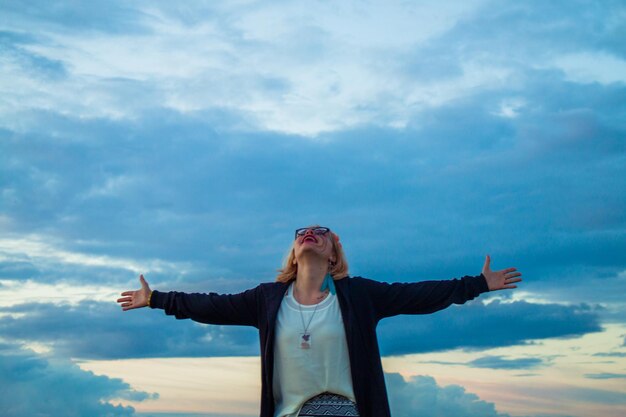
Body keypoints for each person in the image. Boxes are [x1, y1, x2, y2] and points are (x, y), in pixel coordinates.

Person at [117, 226, 522, 417]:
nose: (310, 234)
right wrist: (156, 298)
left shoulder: (357, 296)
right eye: (303, 233)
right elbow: (211, 305)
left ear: (332, 254)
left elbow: (415, 295)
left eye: (321, 233)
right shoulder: (267, 300)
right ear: (294, 253)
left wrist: (477, 284)